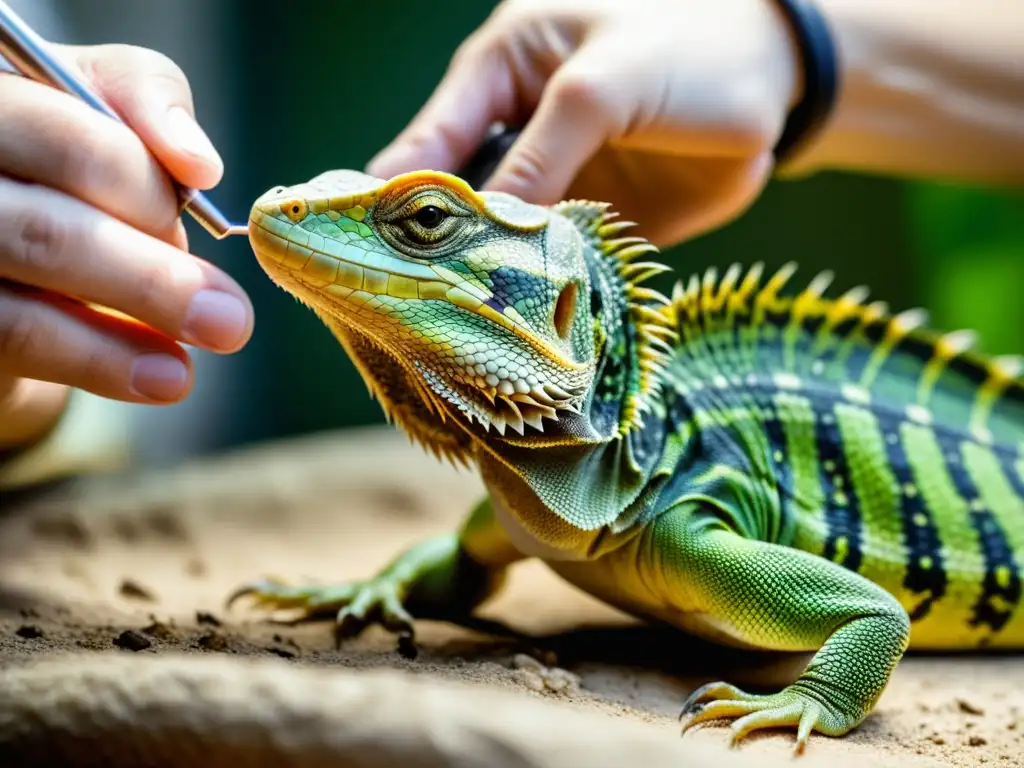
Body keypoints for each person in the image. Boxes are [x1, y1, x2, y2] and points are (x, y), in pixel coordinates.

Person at [1, 0, 1022, 479]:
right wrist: (797, 53)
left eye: (426, 225)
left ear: (561, 299)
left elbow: (867, 626)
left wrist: (796, 40)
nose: (299, 212)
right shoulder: (554, 486)